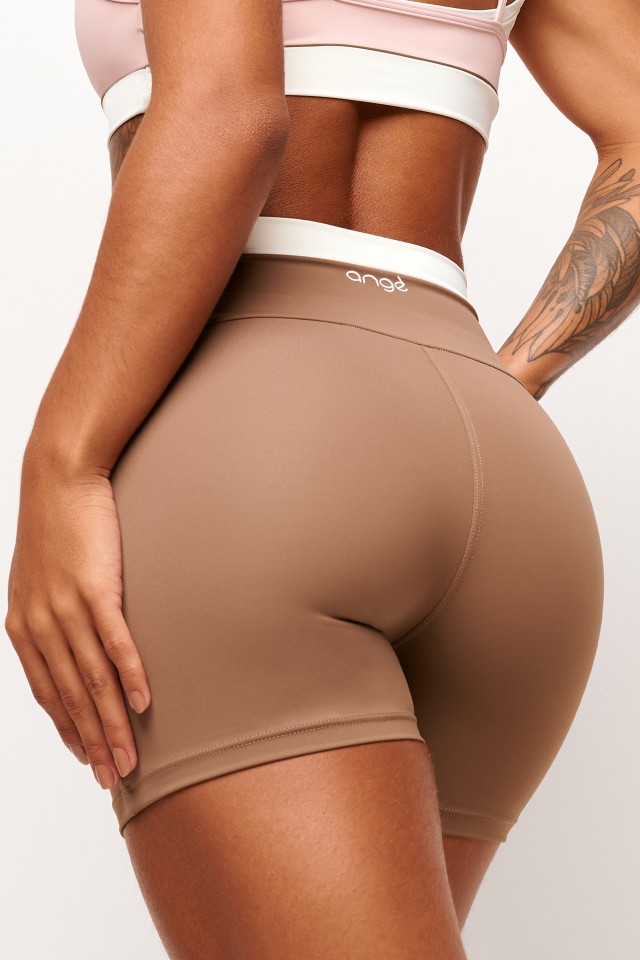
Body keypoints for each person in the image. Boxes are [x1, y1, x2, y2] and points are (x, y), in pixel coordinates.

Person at [5, 0, 638, 956]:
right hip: (500, 456)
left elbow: (228, 110)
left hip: (262, 443)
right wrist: (516, 377)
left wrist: (63, 462)